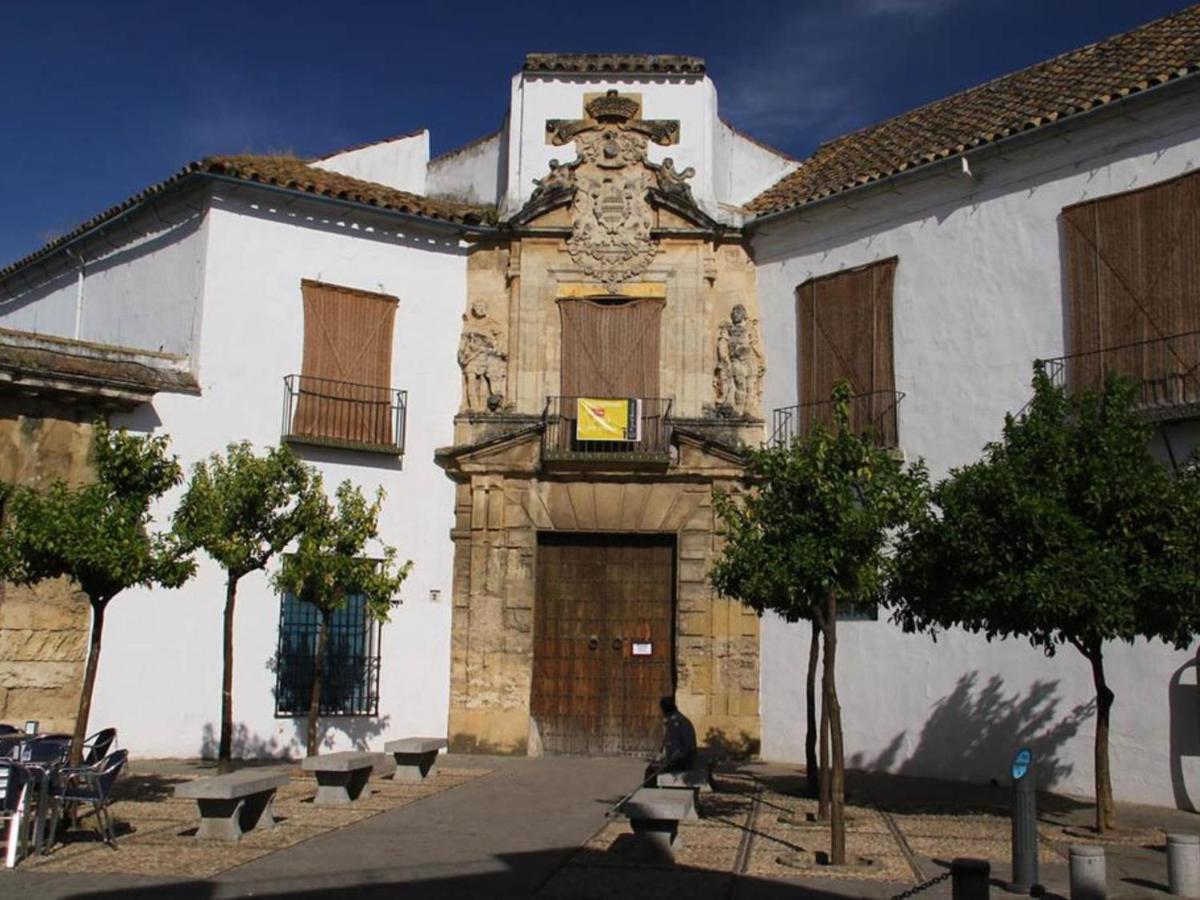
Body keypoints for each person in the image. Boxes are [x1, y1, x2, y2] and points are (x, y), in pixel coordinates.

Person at [643, 695, 697, 785]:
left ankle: (649, 794)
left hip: (682, 762)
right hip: (677, 759)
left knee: (650, 771)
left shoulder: (678, 723)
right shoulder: (676, 720)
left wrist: (674, 757)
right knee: (652, 767)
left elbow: (688, 747)